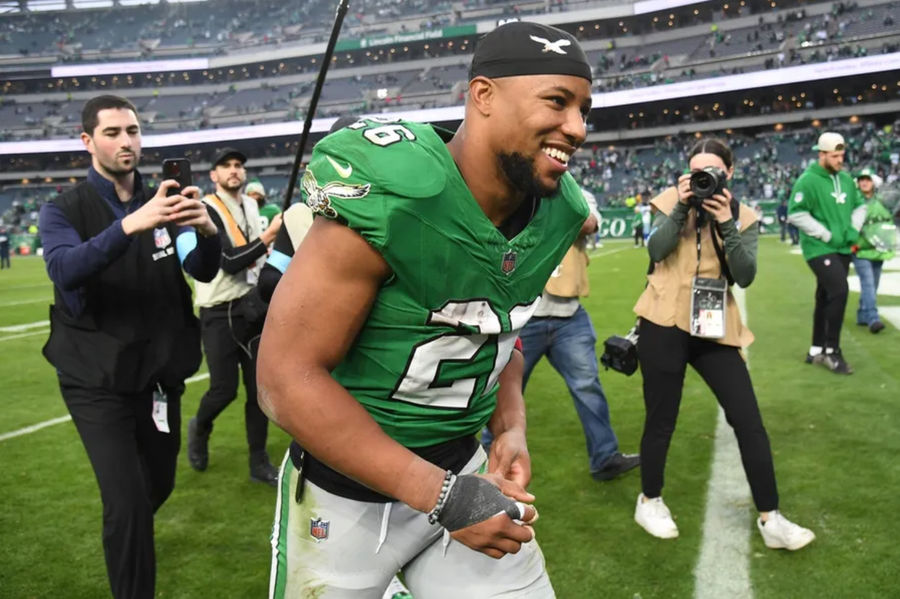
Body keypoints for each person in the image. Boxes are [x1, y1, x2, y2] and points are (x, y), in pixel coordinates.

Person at [257, 21, 593, 597]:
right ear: (483, 96)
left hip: (465, 467)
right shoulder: (394, 193)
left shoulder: (557, 210)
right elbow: (285, 381)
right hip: (346, 498)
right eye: (557, 103)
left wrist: (509, 424)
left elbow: (500, 332)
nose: (578, 128)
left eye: (585, 108)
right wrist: (443, 496)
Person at [38, 94, 221, 598]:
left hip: (159, 373)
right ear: (88, 141)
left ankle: (128, 529)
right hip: (94, 375)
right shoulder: (63, 209)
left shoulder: (166, 198)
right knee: (128, 504)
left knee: (155, 487)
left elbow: (201, 268)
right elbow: (63, 268)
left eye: (134, 131)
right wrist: (130, 225)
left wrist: (206, 231)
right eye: (114, 132)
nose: (127, 142)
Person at [632, 137, 815, 551]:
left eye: (711, 170)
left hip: (715, 326)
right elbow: (656, 249)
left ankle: (772, 518)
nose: (703, 177)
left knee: (749, 421)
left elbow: (746, 275)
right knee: (661, 419)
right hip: (663, 319)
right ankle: (650, 500)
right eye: (696, 170)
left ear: (728, 173)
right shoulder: (667, 202)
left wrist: (726, 223)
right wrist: (681, 207)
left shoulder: (744, 215)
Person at [483, 189, 639, 482]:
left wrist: (547, 196)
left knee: (588, 387)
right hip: (525, 317)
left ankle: (605, 457)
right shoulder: (520, 188)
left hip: (569, 317)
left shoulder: (577, 194)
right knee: (502, 394)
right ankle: (482, 460)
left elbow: (589, 223)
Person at [186, 147, 283, 486]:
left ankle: (259, 461)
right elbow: (228, 259)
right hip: (218, 310)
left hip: (251, 307)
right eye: (225, 166)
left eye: (239, 165)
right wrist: (269, 235)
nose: (234, 170)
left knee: (258, 390)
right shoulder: (206, 208)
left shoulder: (252, 204)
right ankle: (200, 425)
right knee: (223, 389)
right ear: (213, 175)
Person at [787, 132, 866, 374]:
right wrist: (825, 234)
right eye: (835, 155)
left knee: (824, 295)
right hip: (819, 248)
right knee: (840, 291)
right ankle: (832, 352)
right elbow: (796, 213)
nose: (840, 159)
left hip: (842, 247)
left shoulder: (846, 178)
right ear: (821, 154)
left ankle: (815, 349)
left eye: (842, 155)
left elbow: (860, 205)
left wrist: (853, 228)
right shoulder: (807, 180)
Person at [851, 167, 896, 333]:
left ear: (873, 182)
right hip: (860, 249)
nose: (864, 182)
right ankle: (873, 318)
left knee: (873, 284)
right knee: (868, 283)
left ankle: (862, 314)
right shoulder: (854, 201)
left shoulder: (883, 202)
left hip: (878, 248)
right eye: (861, 179)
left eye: (867, 179)